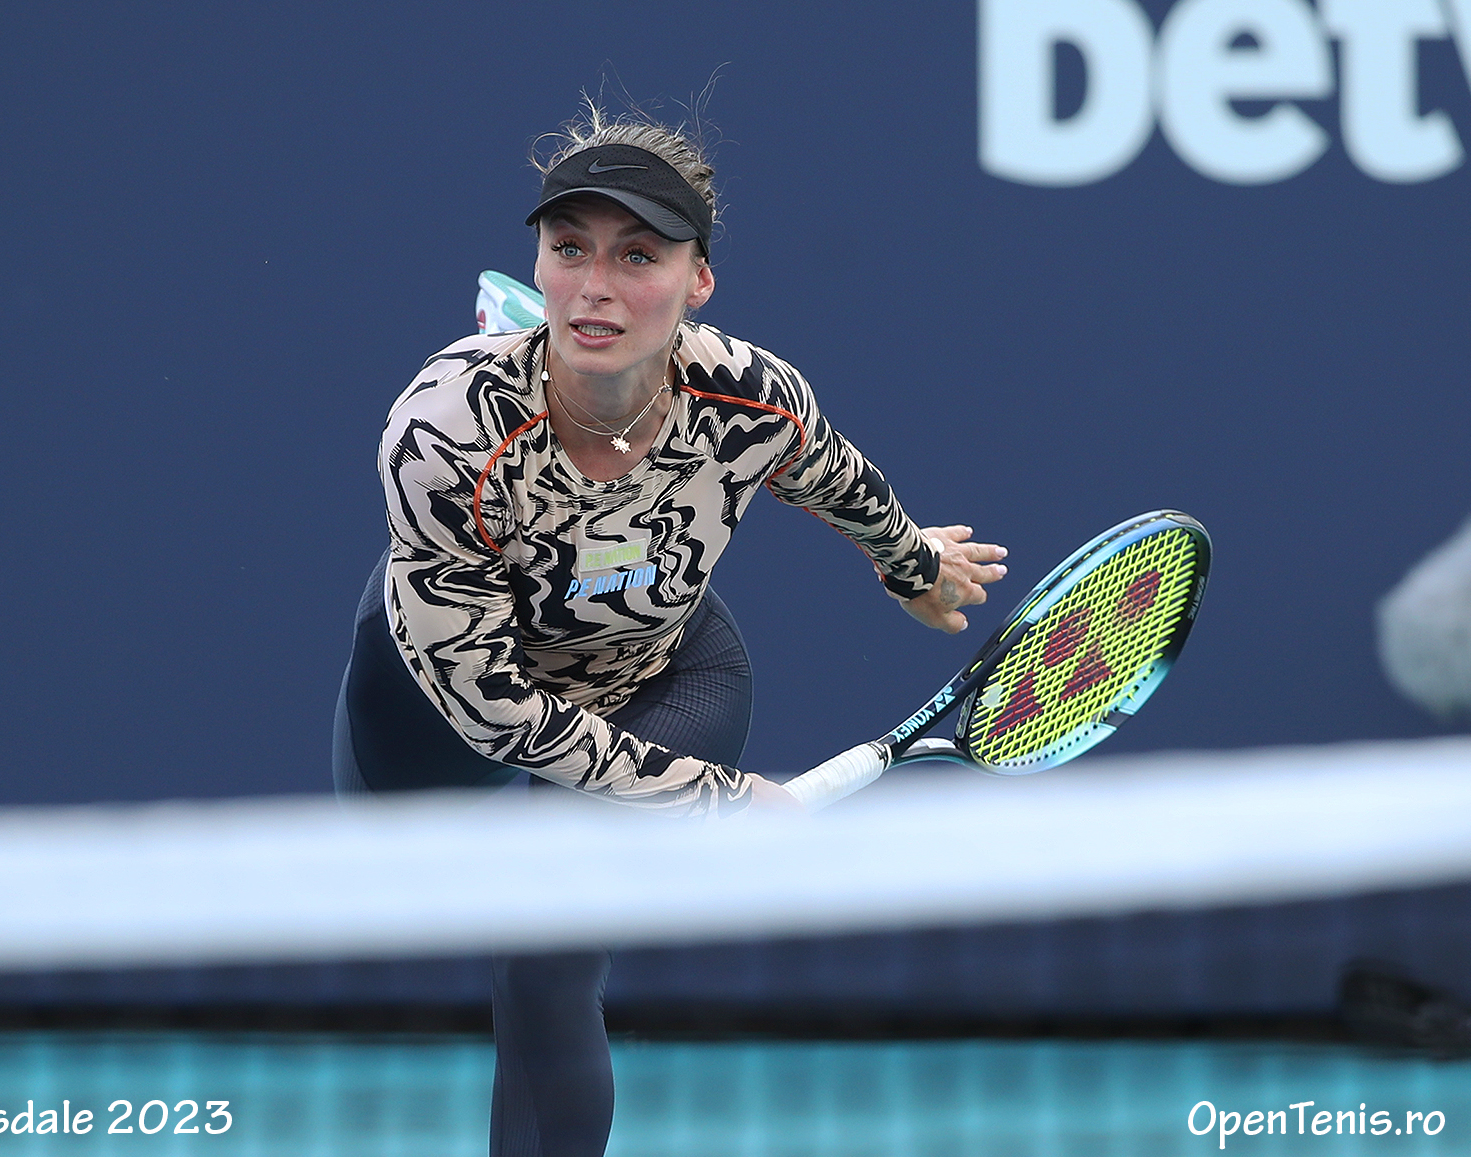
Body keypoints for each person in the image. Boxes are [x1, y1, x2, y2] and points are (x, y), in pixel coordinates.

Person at [332, 103, 1008, 1157]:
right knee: (388, 880)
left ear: (698, 279)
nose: (596, 284)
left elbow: (830, 470)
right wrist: (722, 799)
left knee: (546, 951)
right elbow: (497, 711)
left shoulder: (749, 394)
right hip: (455, 686)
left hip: (664, 664)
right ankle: (501, 326)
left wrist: (912, 565)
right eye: (569, 252)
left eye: (637, 256)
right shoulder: (443, 432)